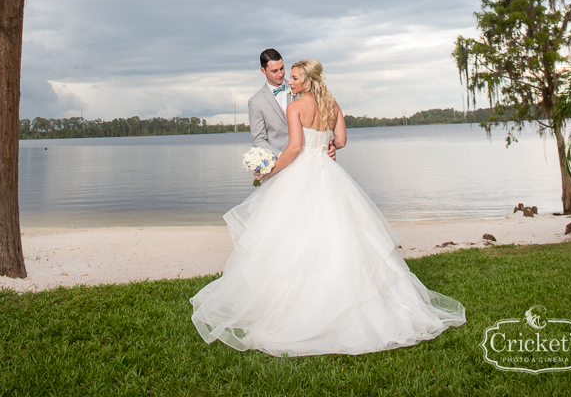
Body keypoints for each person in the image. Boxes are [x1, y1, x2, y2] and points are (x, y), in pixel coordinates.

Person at [190, 59, 465, 357]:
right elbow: (342, 140)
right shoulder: (332, 104)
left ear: (307, 81)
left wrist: (269, 170)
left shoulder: (294, 108)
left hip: (302, 174)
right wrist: (328, 144)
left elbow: (294, 148)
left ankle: (300, 310)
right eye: (288, 77)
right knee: (342, 235)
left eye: (294, 78)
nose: (289, 82)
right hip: (329, 173)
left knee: (294, 238)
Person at [248, 48, 335, 159]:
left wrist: (328, 146)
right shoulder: (256, 102)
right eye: (274, 71)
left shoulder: (302, 87)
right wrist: (282, 156)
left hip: (309, 159)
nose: (280, 74)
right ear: (263, 71)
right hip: (280, 162)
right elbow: (259, 140)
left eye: (282, 68)